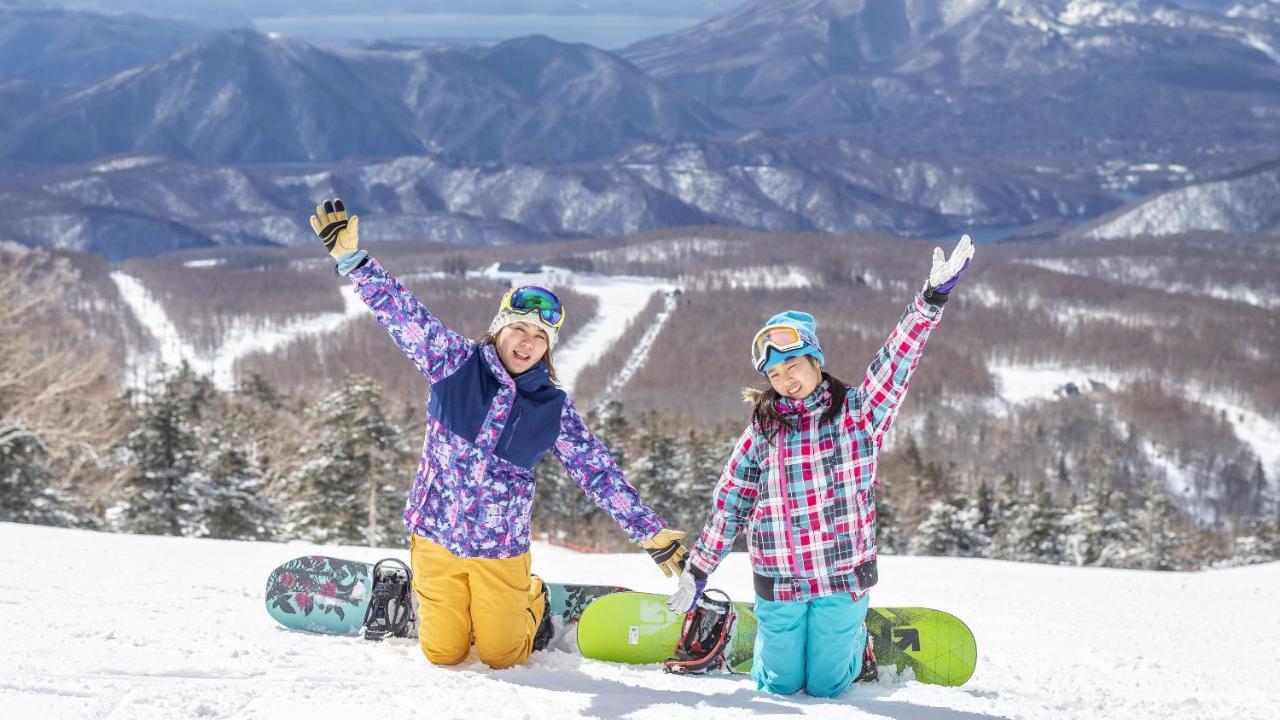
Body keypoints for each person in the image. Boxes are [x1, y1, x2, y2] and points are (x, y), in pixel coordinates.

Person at [309, 198, 687, 669]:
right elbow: (401, 313)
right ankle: (423, 599)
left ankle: (535, 599)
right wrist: (355, 261)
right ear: (499, 329)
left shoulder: (551, 408)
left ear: (548, 348)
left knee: (503, 656)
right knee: (443, 653)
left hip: (499, 547)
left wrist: (648, 532)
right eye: (519, 328)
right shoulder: (454, 363)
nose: (527, 341)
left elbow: (599, 474)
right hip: (435, 534)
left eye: (540, 336)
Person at [667, 235, 975, 697]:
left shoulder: (859, 413)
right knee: (780, 685)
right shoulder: (764, 429)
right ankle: (757, 640)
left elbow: (896, 363)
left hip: (841, 575)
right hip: (779, 576)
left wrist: (930, 301)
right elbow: (730, 503)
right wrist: (699, 569)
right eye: (774, 374)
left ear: (815, 361)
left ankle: (858, 645)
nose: (785, 380)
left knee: (829, 686)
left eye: (792, 365)